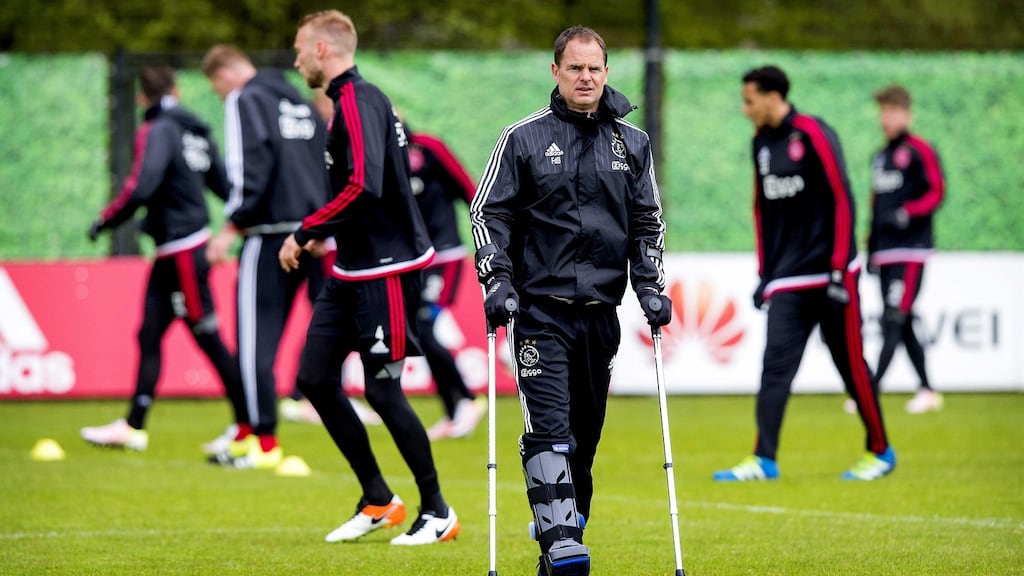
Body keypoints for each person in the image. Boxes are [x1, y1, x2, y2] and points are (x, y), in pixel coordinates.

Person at [470, 26, 671, 576]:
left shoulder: (633, 143)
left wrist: (652, 288)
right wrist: (497, 279)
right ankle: (562, 547)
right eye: (575, 68)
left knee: (582, 444)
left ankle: (559, 541)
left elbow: (646, 221)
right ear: (555, 72)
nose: (586, 78)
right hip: (538, 313)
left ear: (607, 73)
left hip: (601, 318)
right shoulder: (523, 138)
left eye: (595, 69)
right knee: (551, 430)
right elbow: (489, 212)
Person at [281, 9, 459, 546]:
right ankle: (378, 498)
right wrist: (322, 237)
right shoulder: (351, 102)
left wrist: (305, 229)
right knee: (313, 379)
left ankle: (437, 511)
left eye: (297, 49)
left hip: (386, 270)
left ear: (321, 50)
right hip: (351, 268)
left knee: (383, 392)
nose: (294, 60)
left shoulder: (359, 99)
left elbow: (364, 185)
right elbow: (360, 191)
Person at [714, 65, 896, 482]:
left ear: (772, 96)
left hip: (833, 274)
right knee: (774, 366)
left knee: (851, 365)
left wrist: (839, 269)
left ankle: (881, 451)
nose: (745, 110)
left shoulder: (812, 132)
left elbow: (842, 197)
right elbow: (761, 209)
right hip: (789, 279)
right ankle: (764, 459)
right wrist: (765, 274)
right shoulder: (760, 143)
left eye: (749, 100)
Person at [80, 66, 245, 453]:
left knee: (209, 339)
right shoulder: (197, 130)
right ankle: (133, 427)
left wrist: (106, 219)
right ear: (177, 90)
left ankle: (249, 425)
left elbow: (142, 186)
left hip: (184, 252)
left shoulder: (156, 129)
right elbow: (224, 186)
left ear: (142, 98)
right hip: (175, 252)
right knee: (149, 335)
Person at [201, 44, 333, 468]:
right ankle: (246, 432)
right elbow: (323, 162)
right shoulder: (296, 97)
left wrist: (231, 226)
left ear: (224, 75)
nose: (223, 96)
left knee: (255, 343)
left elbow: (248, 167)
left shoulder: (245, 98)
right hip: (310, 237)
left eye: (218, 89)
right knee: (304, 335)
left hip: (268, 237)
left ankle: (263, 441)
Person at [865, 84, 944, 414]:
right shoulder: (880, 157)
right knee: (904, 320)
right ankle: (927, 389)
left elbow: (936, 192)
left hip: (911, 250)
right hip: (884, 252)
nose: (887, 118)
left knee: (894, 318)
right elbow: (874, 203)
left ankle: (869, 389)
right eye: (883, 111)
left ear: (907, 115)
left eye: (893, 111)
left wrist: (907, 213)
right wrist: (869, 247)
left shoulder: (920, 150)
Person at [406, 125, 485, 441]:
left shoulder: (429, 147)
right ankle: (453, 411)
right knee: (418, 332)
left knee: (424, 325)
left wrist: (492, 238)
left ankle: (466, 400)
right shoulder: (381, 158)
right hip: (412, 260)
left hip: (444, 256)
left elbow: (468, 189)